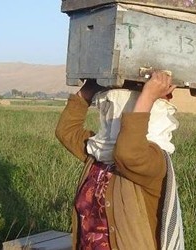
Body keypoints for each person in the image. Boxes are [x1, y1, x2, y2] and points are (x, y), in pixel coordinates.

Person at [55, 71, 185, 250]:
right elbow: (66, 132)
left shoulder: (153, 161)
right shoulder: (100, 154)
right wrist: (90, 88)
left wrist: (148, 96)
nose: (111, 117)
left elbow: (128, 153)